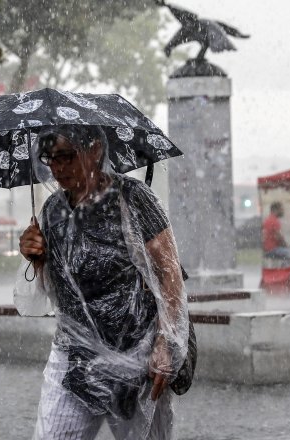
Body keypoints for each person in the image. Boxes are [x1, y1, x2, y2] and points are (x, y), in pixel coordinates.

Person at [16, 125, 189, 440]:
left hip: (137, 359)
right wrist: (35, 256)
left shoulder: (133, 200)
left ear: (95, 151)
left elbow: (169, 274)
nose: (56, 167)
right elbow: (57, 288)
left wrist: (166, 344)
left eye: (66, 156)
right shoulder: (52, 211)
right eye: (49, 158)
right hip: (75, 360)